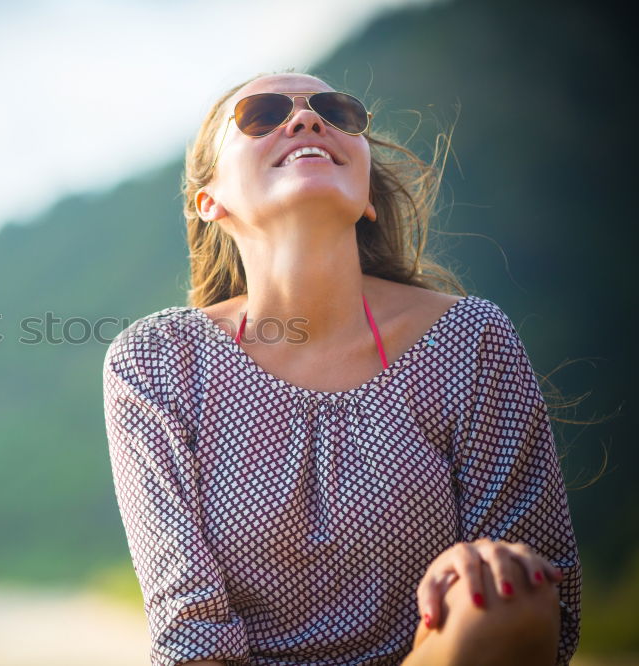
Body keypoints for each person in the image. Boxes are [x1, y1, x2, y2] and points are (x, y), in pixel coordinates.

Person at [102, 71, 581, 666]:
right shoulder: (157, 360)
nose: (306, 121)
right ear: (210, 202)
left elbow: (549, 607)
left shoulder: (469, 338)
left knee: (510, 596)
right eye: (262, 114)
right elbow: (190, 635)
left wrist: (488, 565)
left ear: (368, 194)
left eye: (336, 111)